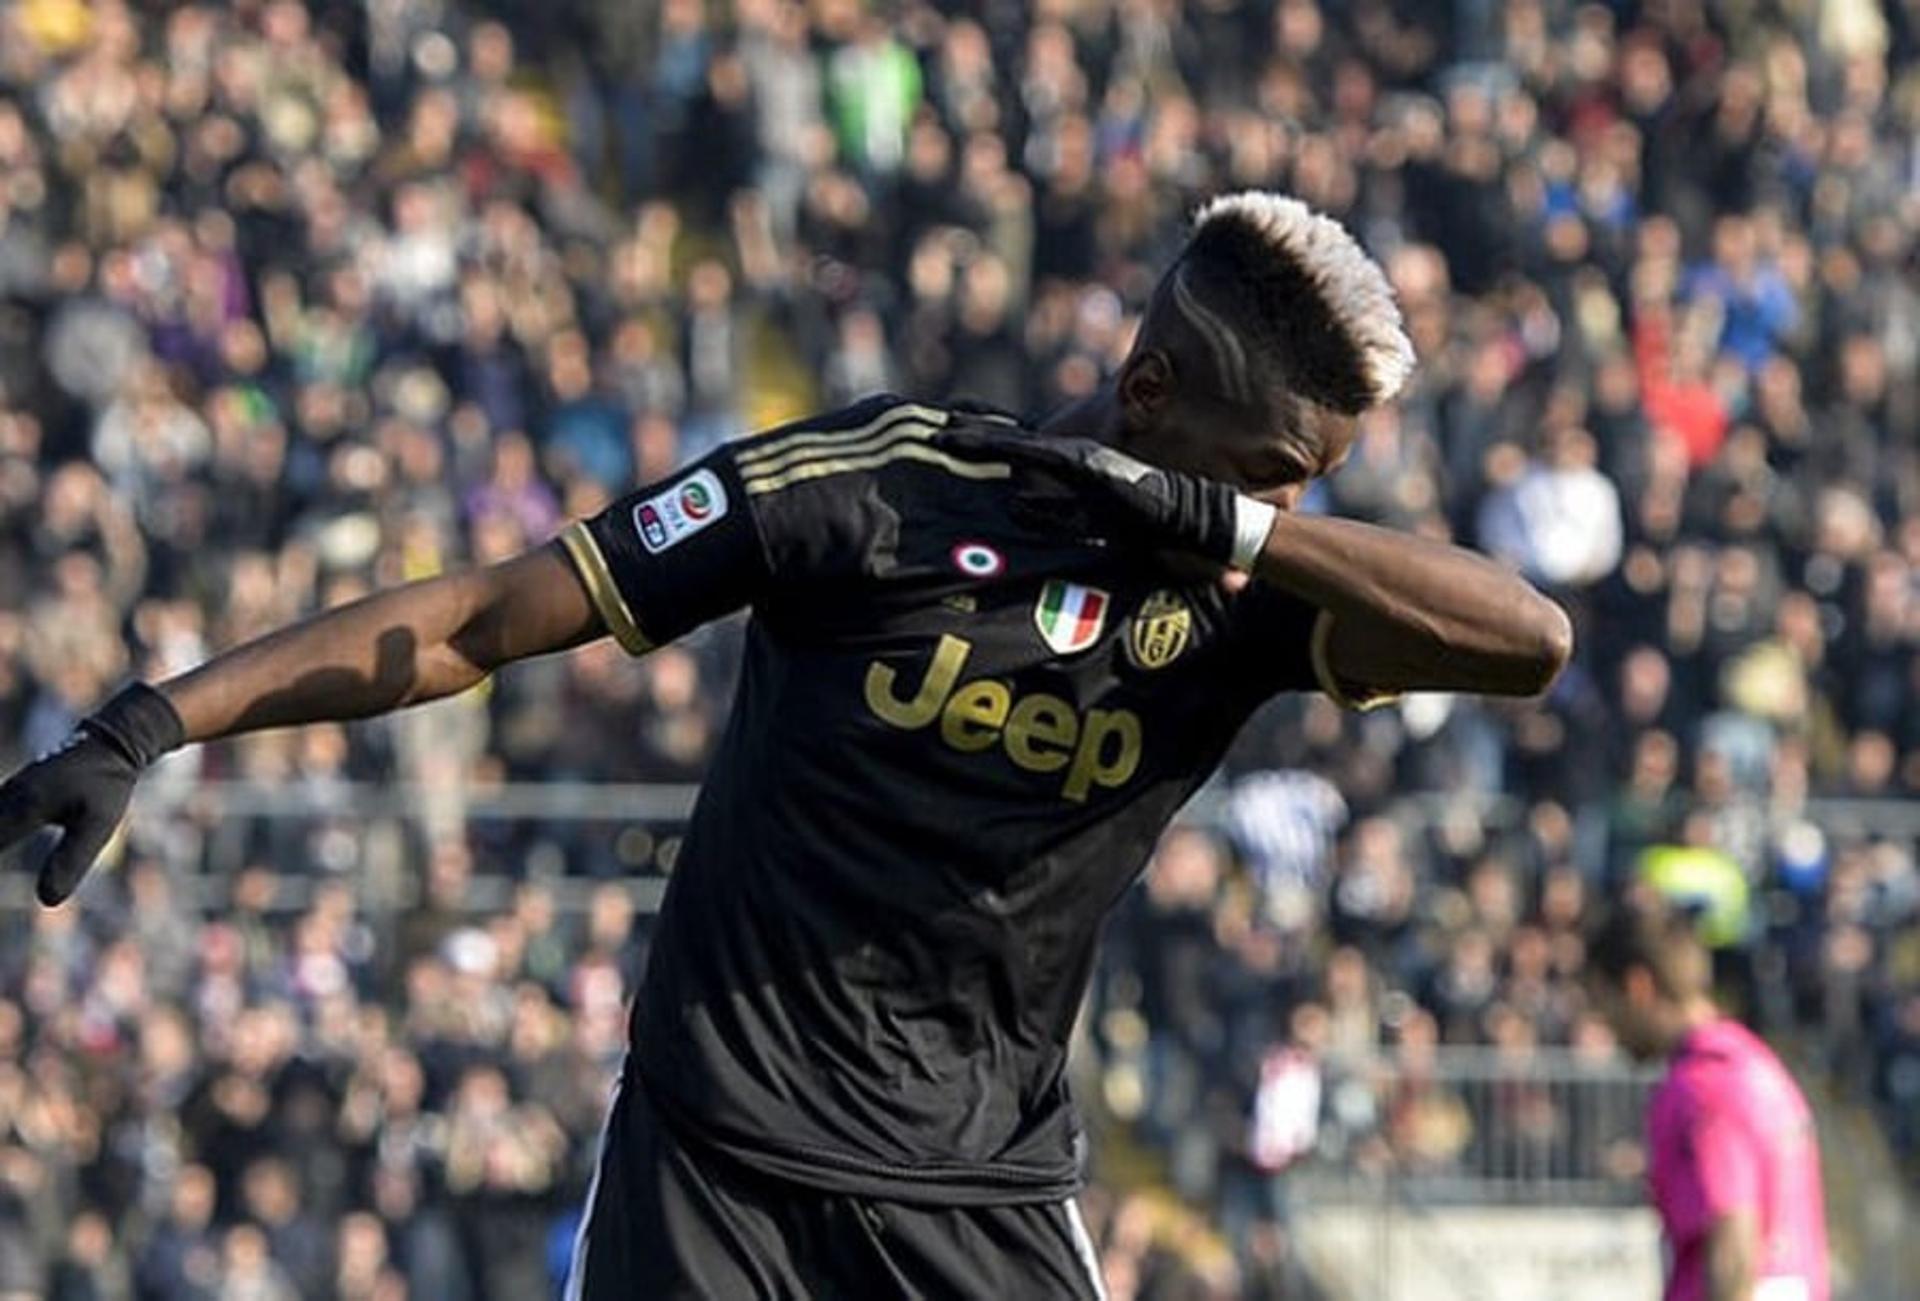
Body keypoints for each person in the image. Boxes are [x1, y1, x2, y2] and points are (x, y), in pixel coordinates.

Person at [0, 192, 1570, 1298]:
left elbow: (1527, 641)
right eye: (1276, 476)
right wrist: (154, 722)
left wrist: (1230, 525)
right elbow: (485, 619)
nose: (1292, 513)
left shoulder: (1251, 590)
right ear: (1148, 390)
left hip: (977, 1186)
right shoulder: (885, 484)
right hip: (713, 1158)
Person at [1588, 900, 1829, 1301]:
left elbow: (1734, 1242)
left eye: (1602, 1001)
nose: (1604, 1023)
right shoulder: (1757, 1066)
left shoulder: (1702, 1088)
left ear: (1638, 987)